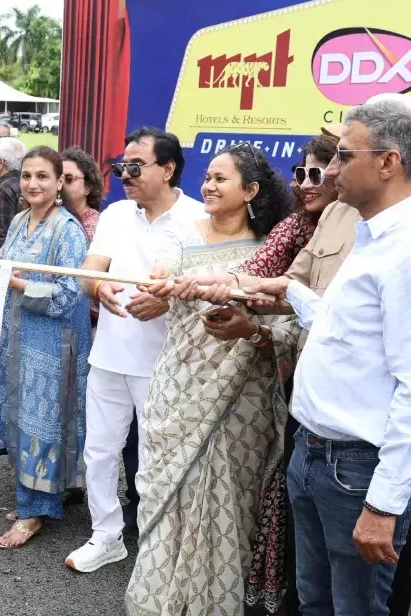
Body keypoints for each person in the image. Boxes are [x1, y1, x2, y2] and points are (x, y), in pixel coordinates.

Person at [239, 98, 411, 616]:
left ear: (388, 162)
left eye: (344, 155)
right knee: (316, 601)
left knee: (356, 608)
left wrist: (382, 505)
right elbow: (349, 331)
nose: (331, 169)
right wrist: (285, 292)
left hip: (358, 470)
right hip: (318, 455)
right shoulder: (374, 234)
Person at [122, 143, 295, 616]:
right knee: (168, 495)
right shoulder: (181, 236)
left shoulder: (272, 256)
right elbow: (164, 270)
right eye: (208, 177)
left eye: (221, 179)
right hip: (178, 388)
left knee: (231, 503)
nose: (209, 186)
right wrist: (162, 283)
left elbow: (289, 325)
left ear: (251, 191)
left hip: (243, 397)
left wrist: (251, 327)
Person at [176, 130, 338, 613]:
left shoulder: (352, 227)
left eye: (319, 174)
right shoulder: (296, 229)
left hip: (328, 386)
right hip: (292, 381)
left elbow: (282, 299)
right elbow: (256, 275)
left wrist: (249, 314)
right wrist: (198, 284)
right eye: (300, 174)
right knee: (289, 499)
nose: (307, 184)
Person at [65, 127, 204, 574]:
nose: (125, 173)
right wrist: (98, 286)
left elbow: (209, 292)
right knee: (100, 452)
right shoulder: (117, 214)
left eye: (137, 165)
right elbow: (88, 271)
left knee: (155, 458)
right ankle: (107, 536)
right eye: (122, 165)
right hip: (107, 356)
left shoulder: (199, 219)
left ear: (167, 169)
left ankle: (157, 541)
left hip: (166, 364)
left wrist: (170, 298)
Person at [0, 145, 92, 550]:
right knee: (21, 417)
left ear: (59, 184)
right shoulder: (19, 220)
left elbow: (69, 293)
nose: (32, 184)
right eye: (27, 176)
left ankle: (34, 512)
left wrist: (18, 284)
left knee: (45, 423)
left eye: (43, 177)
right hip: (18, 337)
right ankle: (35, 495)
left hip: (53, 343)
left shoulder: (68, 229)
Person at [60, 148, 104, 241]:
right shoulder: (54, 216)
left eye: (69, 178)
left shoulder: (95, 226)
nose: (61, 184)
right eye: (58, 178)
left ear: (88, 187)